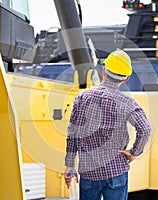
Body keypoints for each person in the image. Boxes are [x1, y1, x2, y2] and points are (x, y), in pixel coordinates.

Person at [64, 49, 151, 200]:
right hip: (115, 172)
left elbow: (73, 134)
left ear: (104, 70)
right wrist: (134, 152)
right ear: (126, 78)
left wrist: (69, 165)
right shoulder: (126, 103)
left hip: (88, 173)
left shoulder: (81, 97)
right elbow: (145, 129)